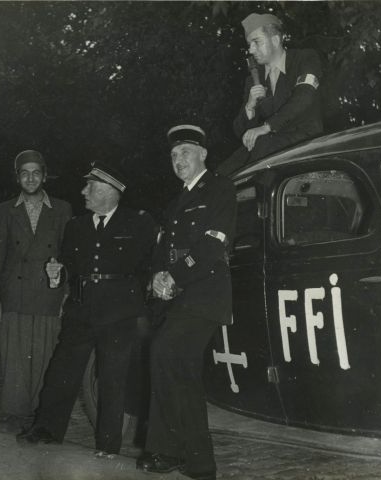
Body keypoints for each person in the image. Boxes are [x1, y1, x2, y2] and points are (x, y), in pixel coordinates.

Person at [17, 161, 156, 457]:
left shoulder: (139, 223)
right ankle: (47, 429)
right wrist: (58, 274)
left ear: (109, 191)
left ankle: (108, 444)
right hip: (81, 310)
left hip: (119, 312)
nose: (84, 191)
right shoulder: (76, 226)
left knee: (112, 379)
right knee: (61, 371)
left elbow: (148, 267)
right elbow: (70, 267)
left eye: (90, 187)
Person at [137, 125, 236, 480]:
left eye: (186, 153)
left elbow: (212, 247)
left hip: (205, 295)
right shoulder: (175, 201)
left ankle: (198, 462)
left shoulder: (221, 188)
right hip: (178, 297)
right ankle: (170, 451)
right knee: (170, 362)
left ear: (203, 155)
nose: (178, 160)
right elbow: (161, 250)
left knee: (168, 354)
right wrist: (157, 277)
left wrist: (175, 276)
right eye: (174, 155)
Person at [0, 150, 72, 433]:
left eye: (36, 172)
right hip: (15, 292)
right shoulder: (5, 210)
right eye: (25, 173)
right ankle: (13, 414)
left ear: (45, 176)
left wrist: (65, 292)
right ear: (17, 177)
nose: (31, 178)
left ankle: (39, 414)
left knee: (45, 352)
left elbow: (69, 254)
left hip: (49, 291)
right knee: (14, 355)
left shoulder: (62, 209)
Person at [217, 13, 323, 175]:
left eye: (256, 42)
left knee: (262, 150)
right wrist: (250, 106)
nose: (251, 50)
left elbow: (304, 97)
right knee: (219, 176)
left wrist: (266, 127)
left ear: (275, 40)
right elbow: (241, 132)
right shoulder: (254, 78)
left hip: (305, 142)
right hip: (267, 146)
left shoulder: (305, 59)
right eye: (249, 44)